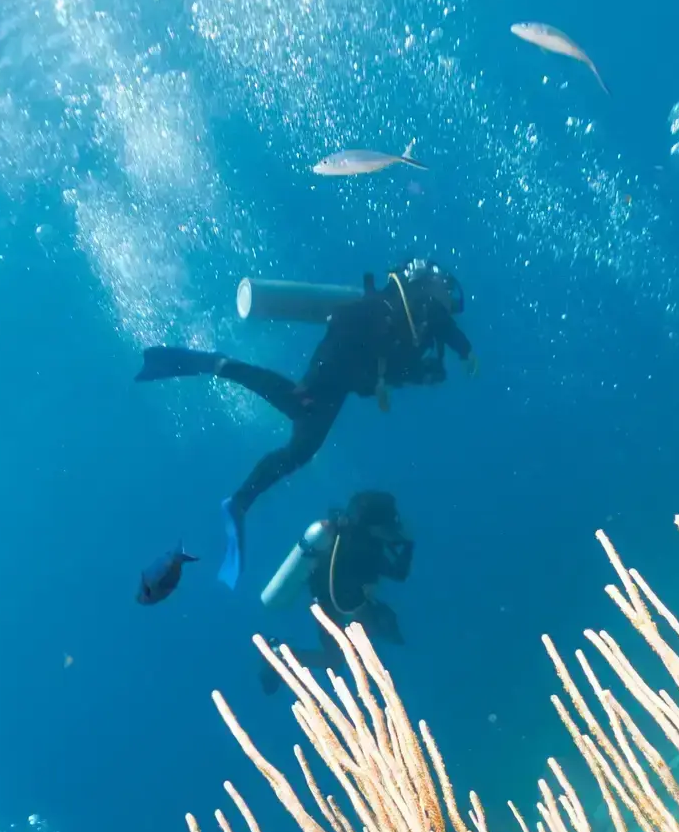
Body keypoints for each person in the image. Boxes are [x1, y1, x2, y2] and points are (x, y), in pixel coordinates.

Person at [135, 259, 473, 586]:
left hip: (339, 382)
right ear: (433, 285)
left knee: (301, 450)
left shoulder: (416, 324)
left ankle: (240, 501)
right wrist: (466, 350)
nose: (448, 303)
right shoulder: (416, 304)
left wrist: (408, 376)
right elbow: (365, 330)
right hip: (333, 369)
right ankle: (219, 365)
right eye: (447, 293)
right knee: (298, 404)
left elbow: (393, 364)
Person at [259, 490, 413, 691]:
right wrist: (409, 546)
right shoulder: (362, 549)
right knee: (335, 658)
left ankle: (281, 655)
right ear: (372, 525)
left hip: (330, 600)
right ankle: (280, 656)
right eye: (385, 526)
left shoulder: (347, 534)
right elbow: (398, 573)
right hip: (335, 605)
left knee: (339, 655)